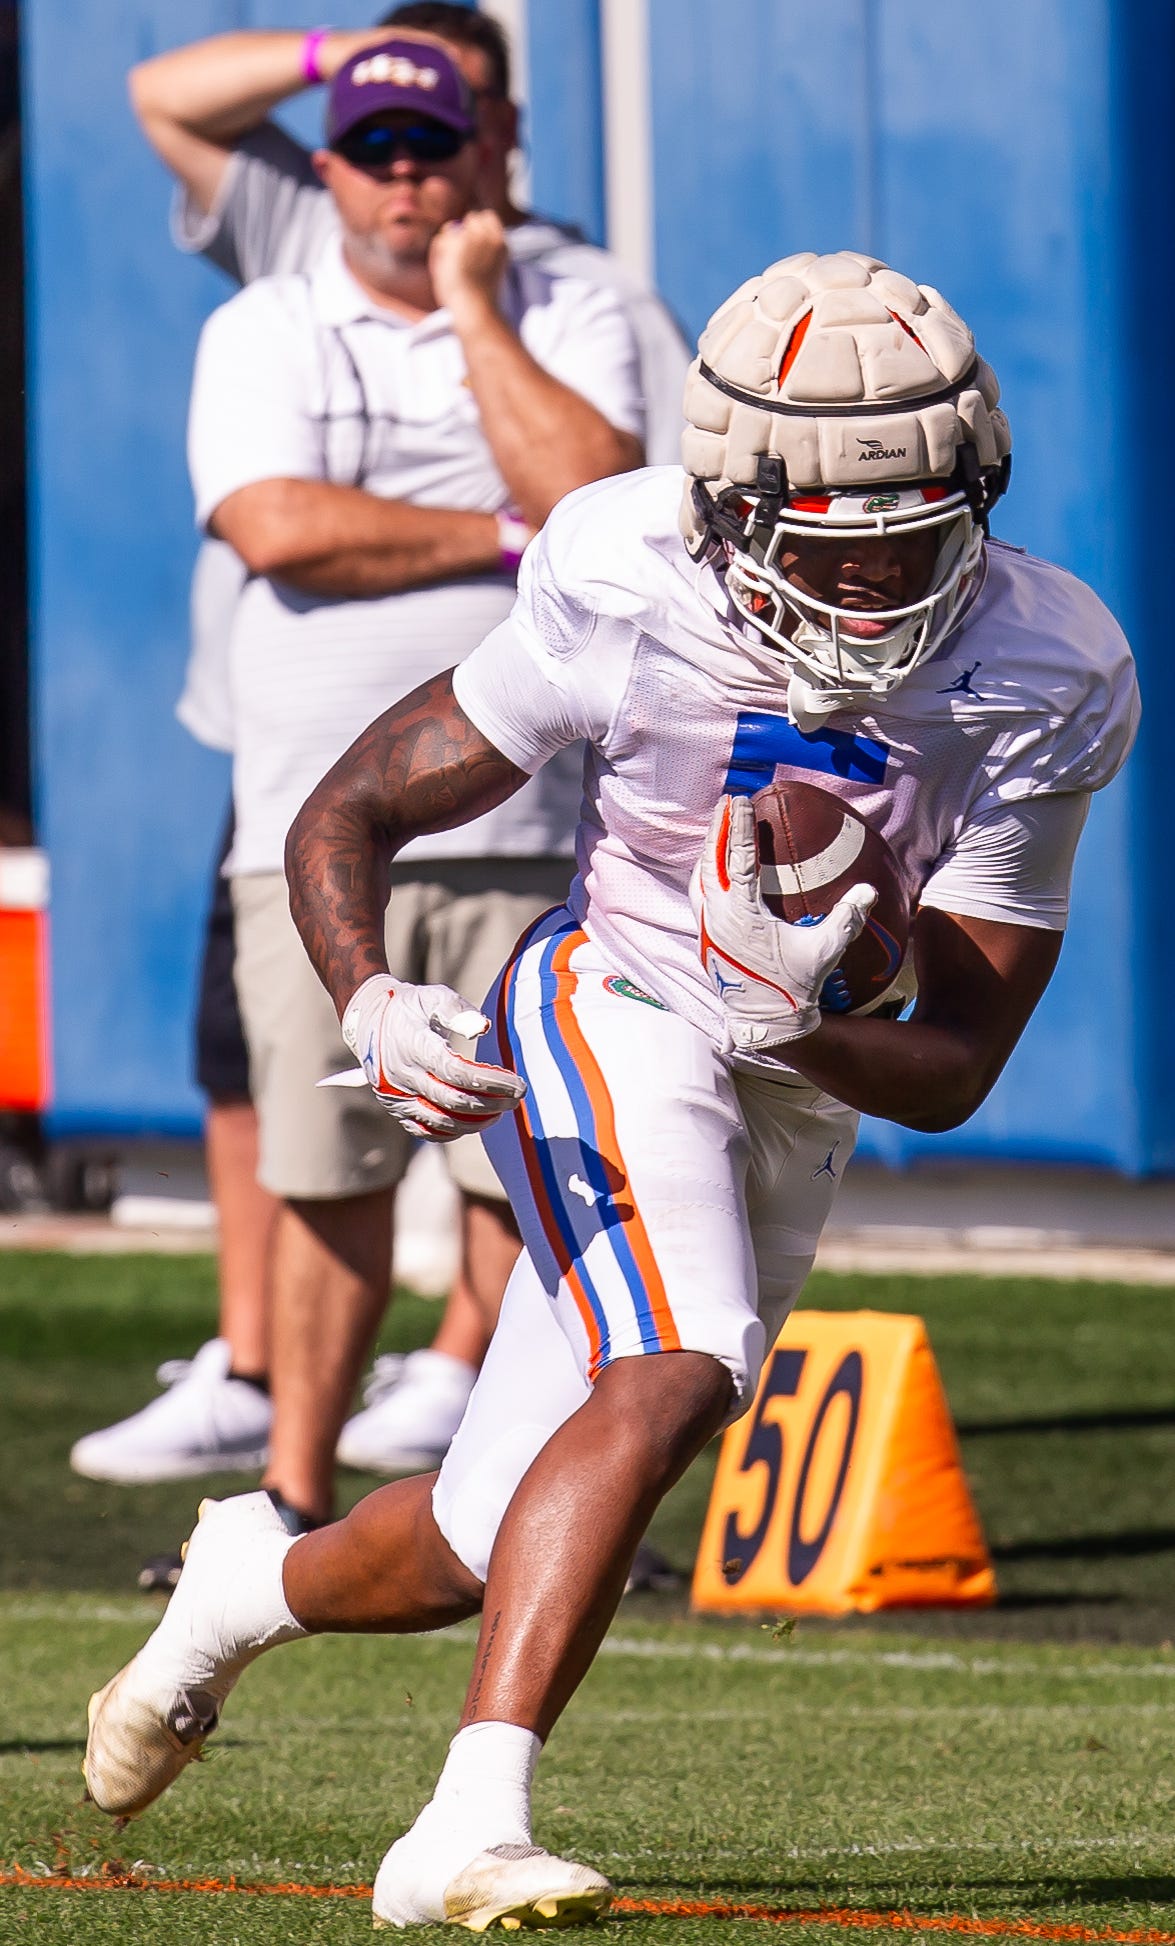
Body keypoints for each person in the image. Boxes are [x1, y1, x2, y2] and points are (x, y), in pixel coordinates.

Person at [83, 250, 1139, 1926]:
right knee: (680, 1360)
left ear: (982, 492)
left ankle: (241, 1585)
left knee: (475, 1540)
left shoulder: (1052, 665)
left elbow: (951, 1068)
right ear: (728, 504)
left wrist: (795, 1019)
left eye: (912, 533)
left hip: (799, 1065)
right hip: (617, 991)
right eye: (829, 539)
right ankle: (465, 1822)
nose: (871, 583)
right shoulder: (626, 567)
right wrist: (371, 996)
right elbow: (343, 812)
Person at [71, 5, 690, 1514]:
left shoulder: (571, 294)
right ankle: (283, 1496)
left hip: (533, 806)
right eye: (374, 149)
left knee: (528, 1176)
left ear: (484, 149)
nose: (404, 179)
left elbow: (594, 502)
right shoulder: (267, 306)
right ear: (331, 168)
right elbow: (280, 526)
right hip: (311, 811)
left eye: (432, 145)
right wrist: (495, 534)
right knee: (325, 1168)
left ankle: (508, 1493)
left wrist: (480, 315)